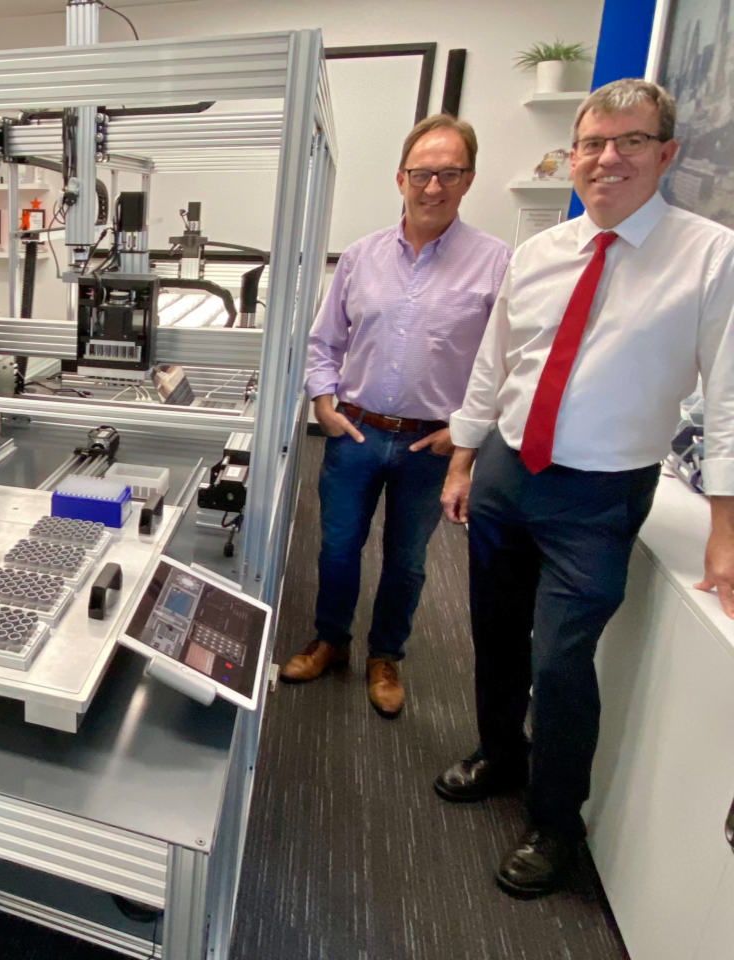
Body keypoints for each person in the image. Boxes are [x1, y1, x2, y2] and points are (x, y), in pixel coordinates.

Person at [437, 78, 734, 897]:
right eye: (593, 144)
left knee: (561, 660)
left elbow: (730, 398)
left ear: (666, 154)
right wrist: (463, 459)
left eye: (630, 142)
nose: (608, 159)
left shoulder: (710, 256)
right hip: (507, 471)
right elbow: (495, 365)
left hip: (599, 495)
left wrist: (726, 526)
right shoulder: (539, 253)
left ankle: (557, 822)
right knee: (495, 633)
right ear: (572, 157)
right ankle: (500, 754)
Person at [288, 115, 511, 717]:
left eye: (449, 174)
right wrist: (323, 401)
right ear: (400, 178)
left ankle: (386, 656)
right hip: (356, 432)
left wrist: (463, 432)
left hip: (430, 446)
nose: (433, 187)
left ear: (468, 180)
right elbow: (323, 341)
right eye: (422, 173)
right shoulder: (361, 257)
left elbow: (506, 362)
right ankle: (331, 640)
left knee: (406, 561)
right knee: (337, 548)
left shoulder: (496, 263)